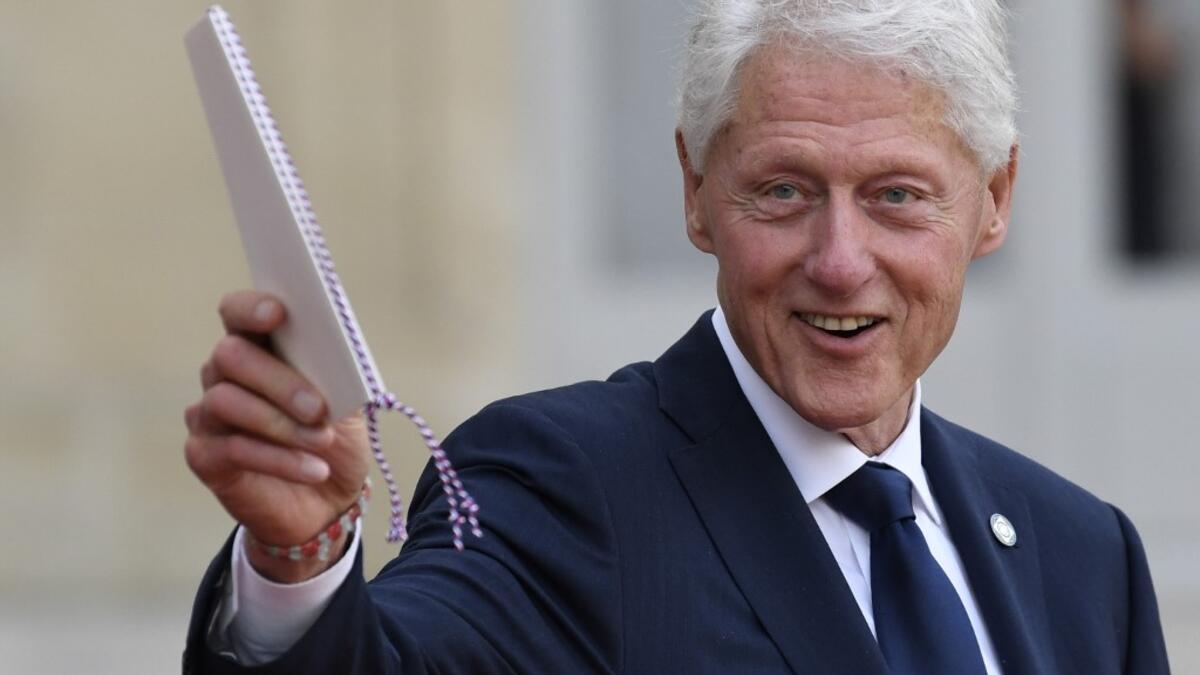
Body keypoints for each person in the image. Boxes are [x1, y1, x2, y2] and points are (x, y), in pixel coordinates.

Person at [182, 1, 1172, 673]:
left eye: (896, 197)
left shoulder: (1085, 558)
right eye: (783, 190)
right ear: (697, 192)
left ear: (993, 202)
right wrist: (297, 561)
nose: (838, 259)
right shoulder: (562, 486)